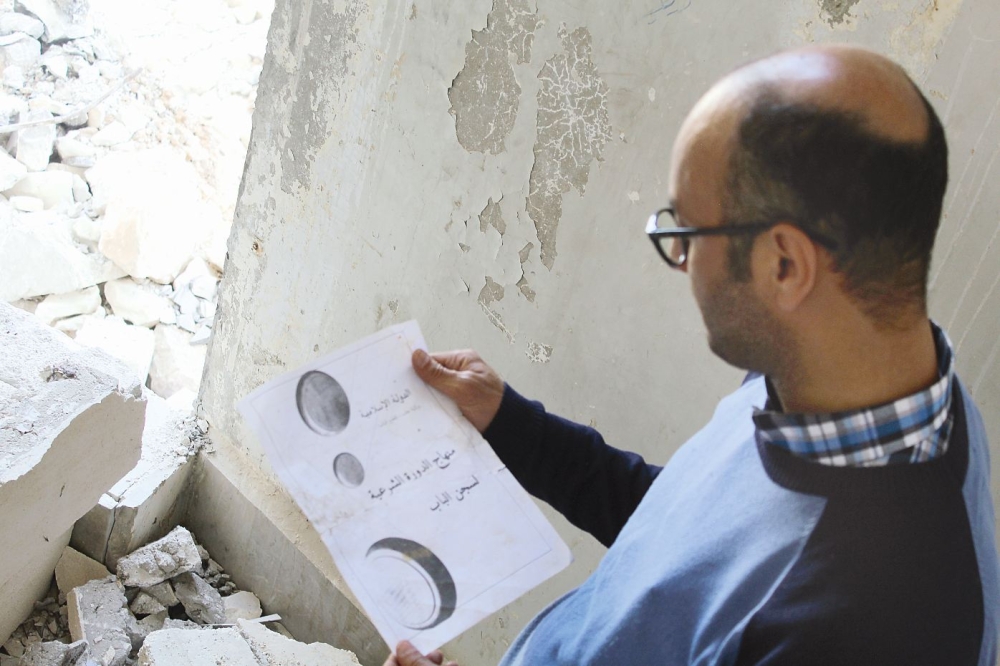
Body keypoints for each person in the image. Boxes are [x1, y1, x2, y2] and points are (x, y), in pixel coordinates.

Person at [383, 44, 1000, 665]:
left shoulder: (877, 628)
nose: (678, 261)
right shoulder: (853, 383)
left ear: (784, 266)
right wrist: (510, 422)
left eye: (684, 232)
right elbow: (688, 546)